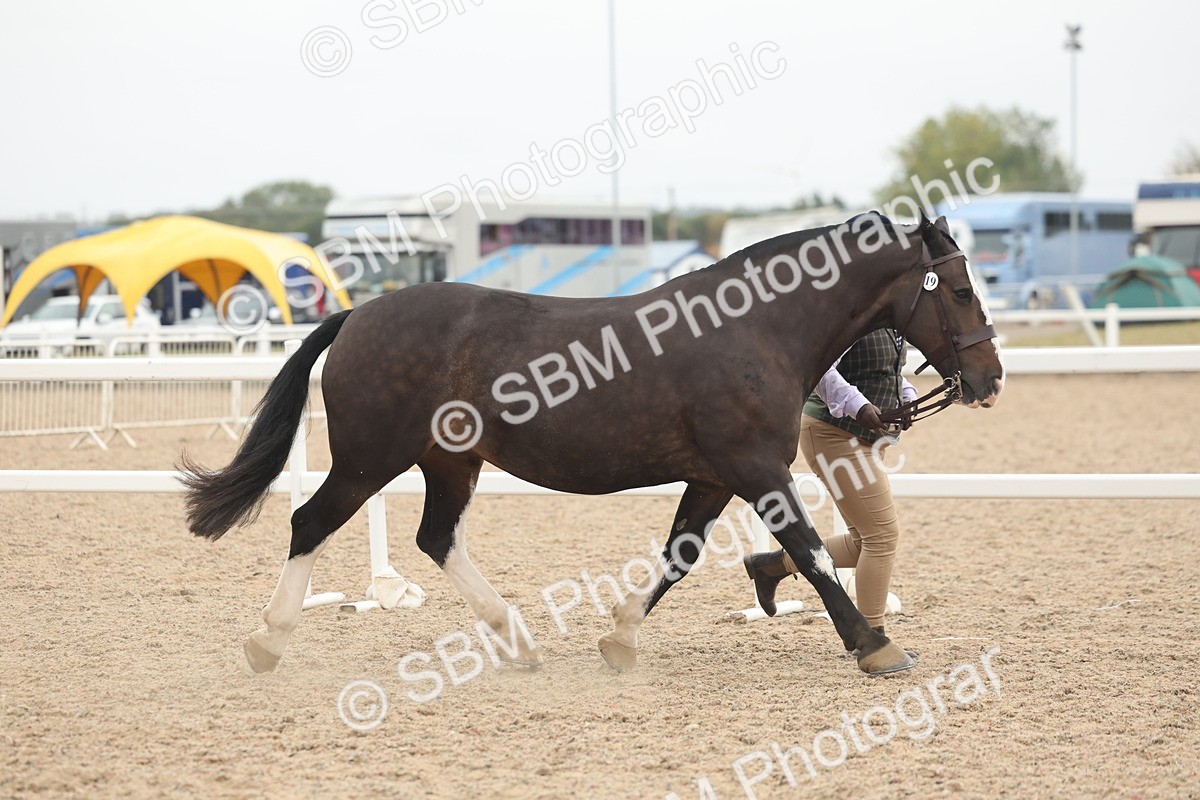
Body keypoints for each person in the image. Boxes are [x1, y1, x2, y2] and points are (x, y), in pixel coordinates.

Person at [744, 327, 917, 643]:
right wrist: (858, 405)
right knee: (882, 536)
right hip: (833, 433)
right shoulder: (851, 312)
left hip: (863, 435)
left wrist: (906, 395)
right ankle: (871, 639)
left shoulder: (889, 317)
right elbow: (821, 370)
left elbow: (883, 370)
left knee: (864, 541)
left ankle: (773, 566)